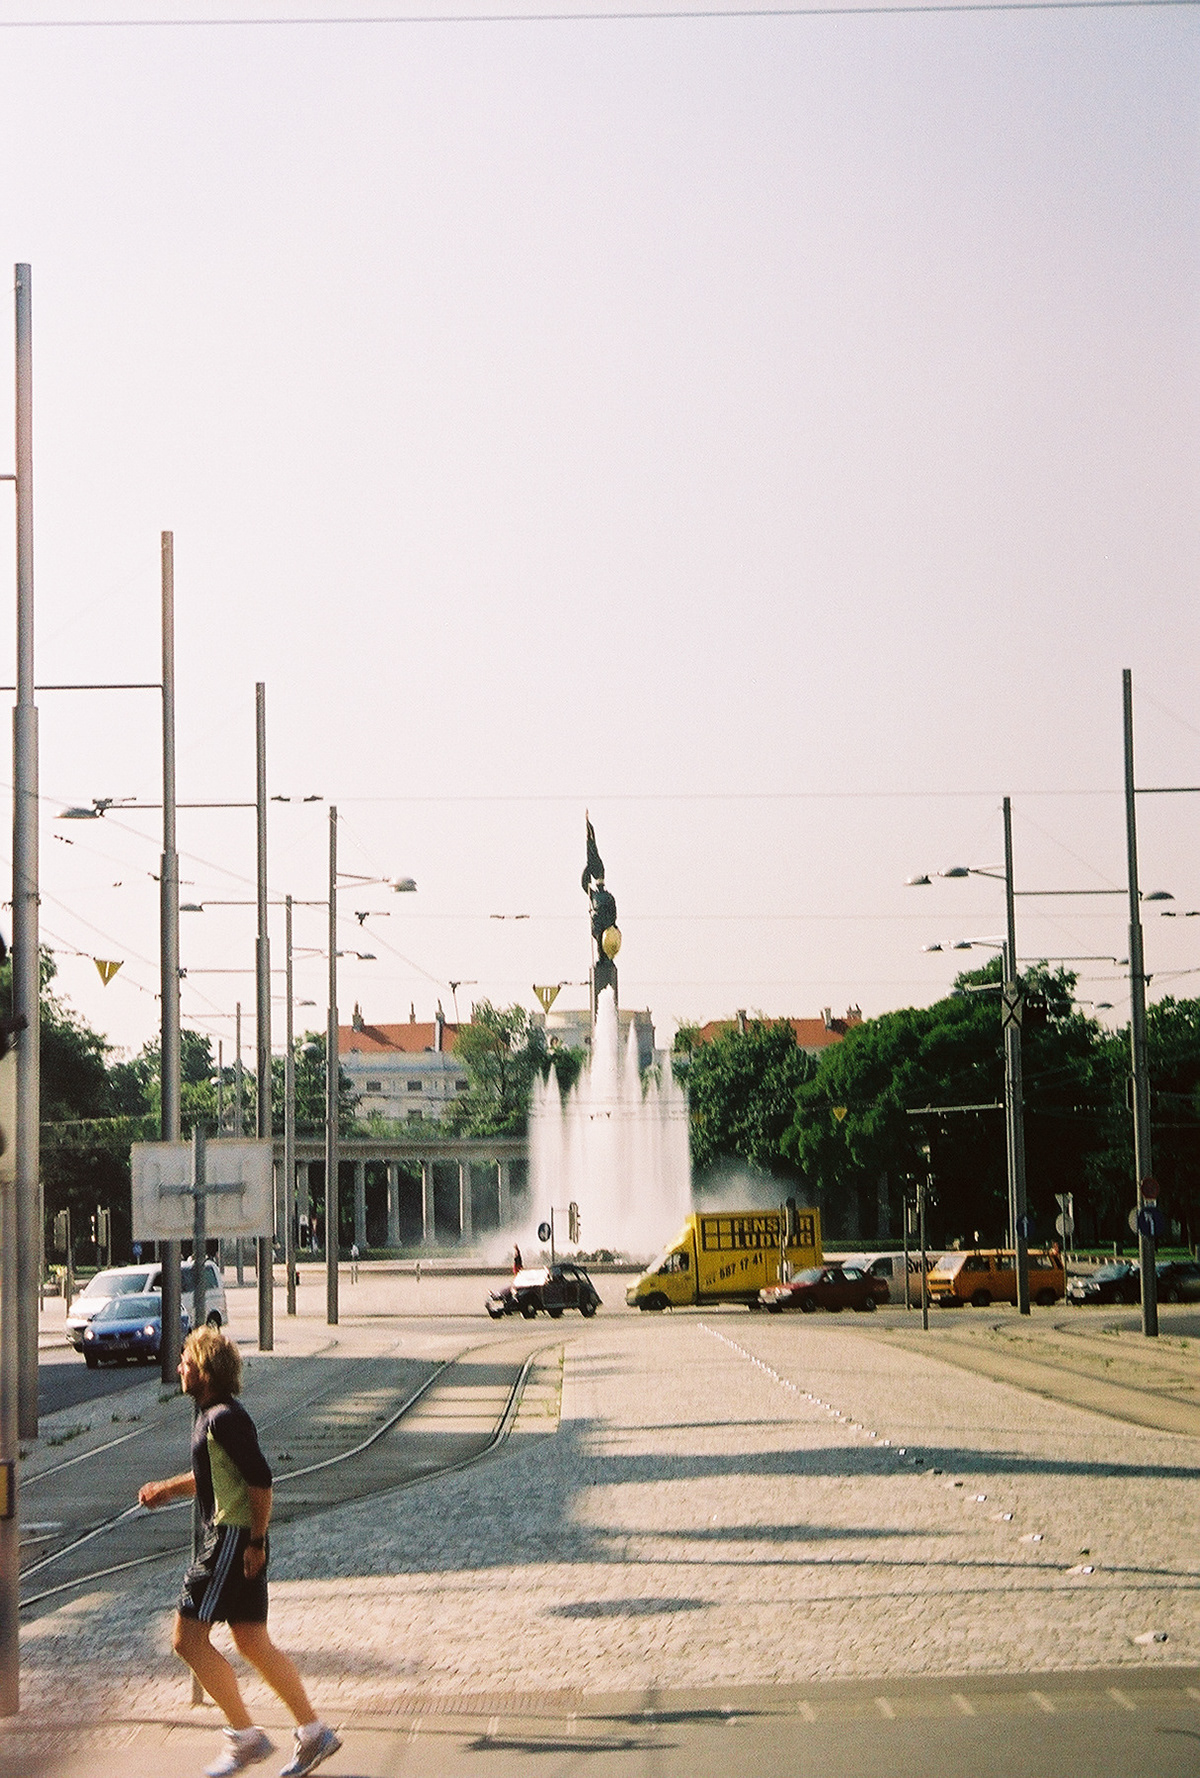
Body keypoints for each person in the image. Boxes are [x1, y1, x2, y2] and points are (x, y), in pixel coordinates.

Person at [139, 1327, 341, 1778]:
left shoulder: (223, 1417)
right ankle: (314, 1732)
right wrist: (166, 1490)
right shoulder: (212, 1415)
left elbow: (261, 1479)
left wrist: (255, 1541)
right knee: (252, 1640)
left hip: (231, 1538)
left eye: (186, 1363)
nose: (179, 1370)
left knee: (187, 1640)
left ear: (205, 1371)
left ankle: (245, 1739)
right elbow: (213, 1475)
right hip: (237, 1536)